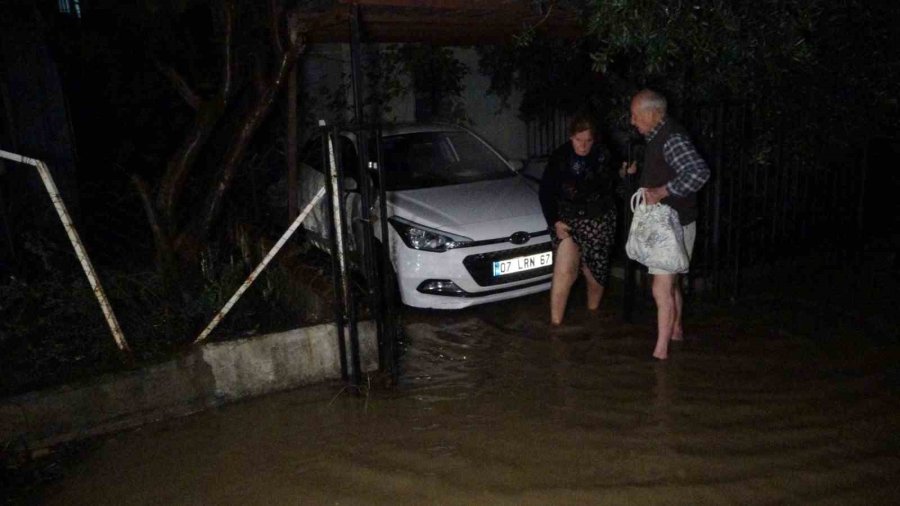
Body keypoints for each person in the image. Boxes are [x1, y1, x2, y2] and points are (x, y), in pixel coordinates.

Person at [624, 89, 710, 360]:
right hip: (677, 223)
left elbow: (699, 172)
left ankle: (660, 354)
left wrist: (662, 191)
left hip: (671, 226)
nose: (632, 121)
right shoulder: (658, 137)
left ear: (652, 113)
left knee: (660, 287)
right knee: (670, 284)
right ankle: (676, 331)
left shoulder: (670, 137)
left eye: (635, 115)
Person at [539, 113, 621, 326]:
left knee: (595, 272)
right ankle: (555, 326)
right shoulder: (560, 157)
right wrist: (555, 221)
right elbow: (546, 192)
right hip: (567, 220)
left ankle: (592, 315)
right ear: (570, 136)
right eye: (578, 140)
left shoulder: (604, 154)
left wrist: (624, 172)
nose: (583, 146)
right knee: (564, 271)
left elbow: (613, 182)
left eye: (588, 141)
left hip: (598, 221)